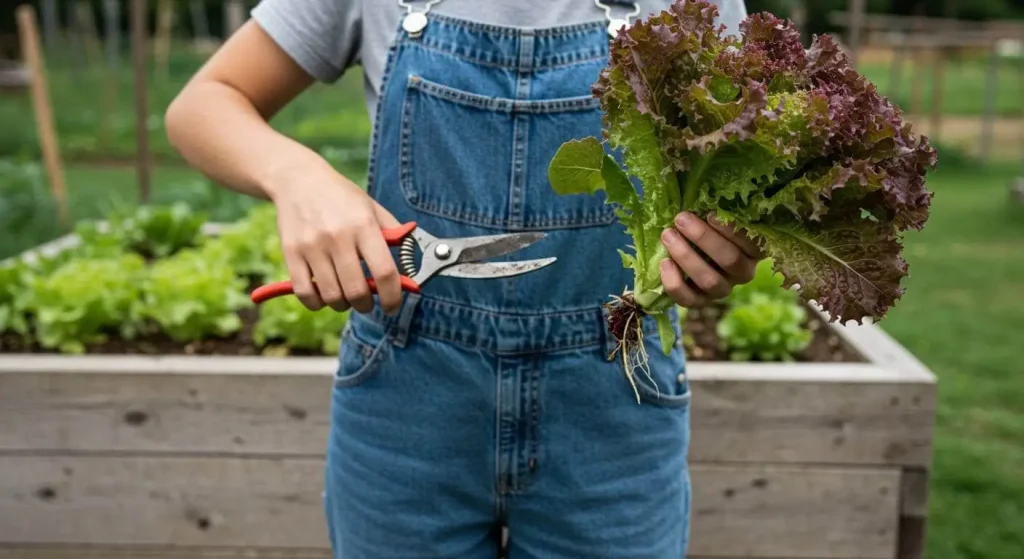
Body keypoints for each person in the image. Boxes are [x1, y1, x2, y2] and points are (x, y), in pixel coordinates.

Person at [165, 0, 758, 557]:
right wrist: (296, 175)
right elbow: (204, 104)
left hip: (613, 407)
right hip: (405, 407)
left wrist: (733, 240)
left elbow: (749, 167)